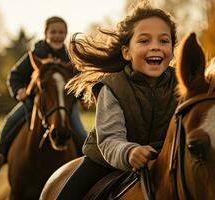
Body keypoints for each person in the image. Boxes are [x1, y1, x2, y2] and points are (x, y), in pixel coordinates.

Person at [57, 1, 178, 199]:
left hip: (165, 159)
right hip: (105, 159)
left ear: (172, 50)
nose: (156, 47)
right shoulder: (112, 87)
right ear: (126, 52)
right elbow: (110, 138)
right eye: (145, 41)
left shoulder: (182, 84)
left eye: (164, 41)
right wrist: (129, 152)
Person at [0, 16, 87, 175]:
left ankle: (86, 163)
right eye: (53, 32)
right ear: (45, 33)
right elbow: (15, 75)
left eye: (61, 32)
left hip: (64, 104)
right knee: (11, 120)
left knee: (80, 132)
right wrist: (19, 90)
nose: (57, 35)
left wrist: (81, 97)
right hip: (35, 101)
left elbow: (79, 80)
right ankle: (1, 154)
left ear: (66, 34)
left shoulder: (70, 57)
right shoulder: (37, 52)